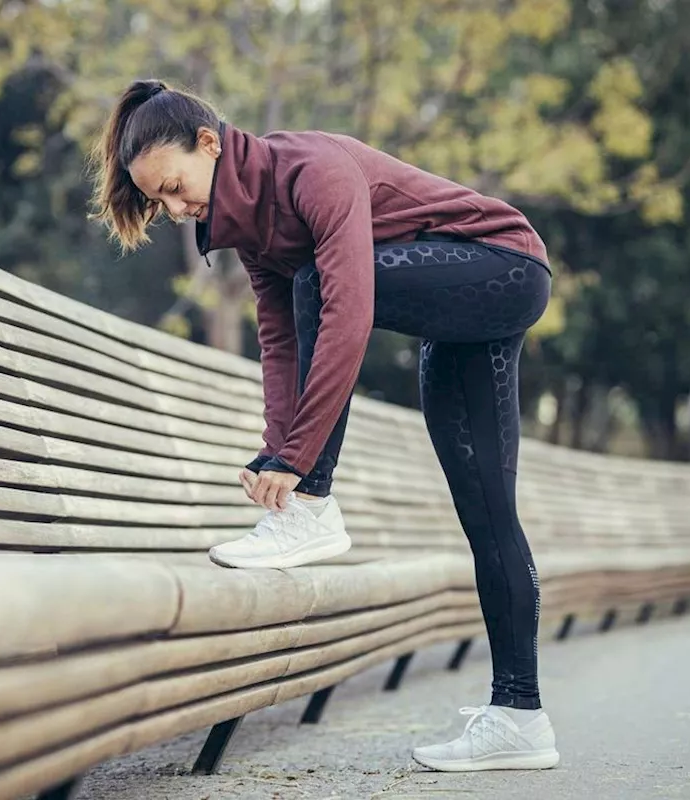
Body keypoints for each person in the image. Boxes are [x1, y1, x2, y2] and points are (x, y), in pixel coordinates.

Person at [87, 78, 560, 773]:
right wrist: (277, 452)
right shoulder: (254, 235)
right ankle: (521, 716)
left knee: (319, 287)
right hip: (457, 323)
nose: (175, 207)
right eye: (160, 200)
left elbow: (346, 314)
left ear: (210, 144)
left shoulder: (314, 171)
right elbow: (281, 346)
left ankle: (315, 508)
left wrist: (301, 471)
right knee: (488, 514)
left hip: (506, 264)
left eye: (174, 185)